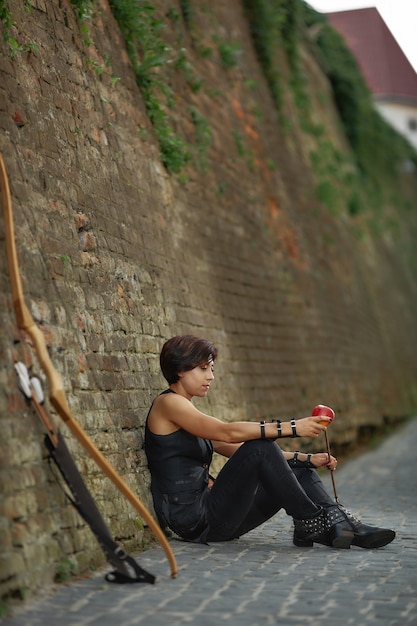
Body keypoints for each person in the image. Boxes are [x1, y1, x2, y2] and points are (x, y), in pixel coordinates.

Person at [144, 335, 395, 550]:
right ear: (179, 369)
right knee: (259, 445)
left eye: (211, 369)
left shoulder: (188, 411)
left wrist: (308, 460)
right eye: (202, 368)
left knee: (297, 469)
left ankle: (346, 527)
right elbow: (228, 433)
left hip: (219, 517)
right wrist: (293, 427)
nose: (210, 376)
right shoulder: (168, 404)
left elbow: (239, 451)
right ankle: (315, 521)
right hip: (194, 520)